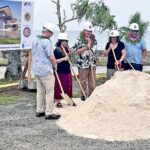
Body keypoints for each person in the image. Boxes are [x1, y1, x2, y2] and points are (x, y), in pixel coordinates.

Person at [31, 22, 60, 120]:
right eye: (51, 33)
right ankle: (48, 112)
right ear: (47, 32)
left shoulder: (35, 40)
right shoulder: (47, 42)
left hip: (36, 69)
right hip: (45, 70)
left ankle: (39, 110)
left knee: (40, 91)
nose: (51, 35)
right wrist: (55, 66)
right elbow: (51, 57)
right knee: (49, 91)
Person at [73, 22, 98, 101]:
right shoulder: (78, 39)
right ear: (84, 30)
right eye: (88, 31)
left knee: (92, 81)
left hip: (92, 63)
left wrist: (97, 58)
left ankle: (92, 96)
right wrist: (86, 47)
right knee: (83, 81)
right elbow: (76, 52)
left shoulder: (94, 39)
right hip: (83, 64)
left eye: (91, 31)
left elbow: (96, 50)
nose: (90, 33)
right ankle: (83, 95)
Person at [54, 33, 77, 108]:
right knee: (60, 86)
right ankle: (57, 101)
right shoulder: (56, 50)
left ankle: (69, 100)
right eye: (65, 41)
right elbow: (55, 61)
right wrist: (64, 58)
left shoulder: (66, 48)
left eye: (67, 41)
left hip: (67, 69)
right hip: (60, 70)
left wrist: (69, 52)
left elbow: (69, 56)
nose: (67, 42)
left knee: (69, 86)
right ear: (61, 41)